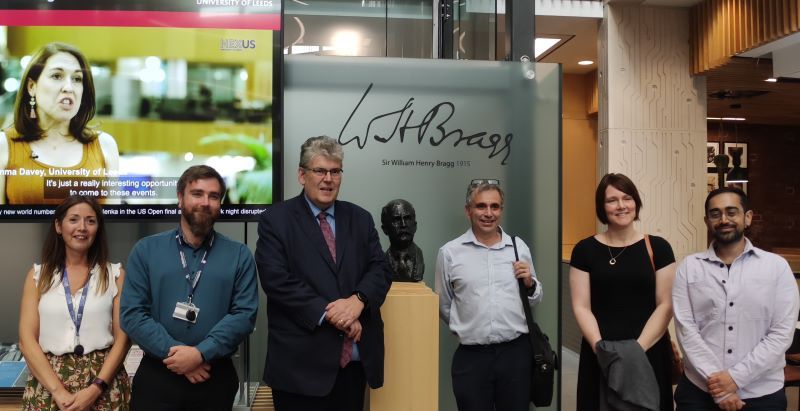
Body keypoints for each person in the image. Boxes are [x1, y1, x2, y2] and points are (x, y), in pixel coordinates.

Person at [255, 135, 392, 411]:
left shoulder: (360, 219)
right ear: (301, 175)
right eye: (320, 171)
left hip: (352, 366)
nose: (328, 179)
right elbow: (277, 280)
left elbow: (380, 268)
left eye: (335, 171)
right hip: (299, 371)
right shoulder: (276, 220)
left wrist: (358, 300)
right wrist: (337, 315)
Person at [120, 165, 258, 411]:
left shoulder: (239, 255)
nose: (205, 202)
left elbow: (244, 315)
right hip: (157, 378)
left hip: (214, 378)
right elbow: (132, 314)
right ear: (180, 198)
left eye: (213, 196)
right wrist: (178, 354)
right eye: (197, 193)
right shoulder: (146, 250)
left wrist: (200, 354)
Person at [672, 187, 800, 410]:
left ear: (747, 217)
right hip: (699, 392)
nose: (724, 219)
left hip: (762, 393)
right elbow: (686, 330)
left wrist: (735, 379)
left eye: (731, 212)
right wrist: (720, 388)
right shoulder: (689, 267)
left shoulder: (776, 268)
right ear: (707, 221)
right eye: (715, 214)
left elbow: (781, 333)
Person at [569, 173, 676, 410]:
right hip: (600, 353)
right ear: (601, 206)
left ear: (636, 202)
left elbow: (665, 304)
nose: (621, 206)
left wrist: (635, 351)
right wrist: (602, 350)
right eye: (612, 200)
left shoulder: (659, 247)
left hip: (648, 351)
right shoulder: (585, 250)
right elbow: (581, 306)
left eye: (627, 198)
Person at [434, 179, 542, 411]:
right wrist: (466, 326)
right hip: (472, 357)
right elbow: (444, 304)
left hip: (515, 355)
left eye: (495, 206)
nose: (488, 213)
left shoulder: (517, 247)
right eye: (481, 206)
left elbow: (534, 299)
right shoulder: (450, 252)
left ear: (501, 210)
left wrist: (529, 283)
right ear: (468, 210)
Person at [19, 195, 131, 410]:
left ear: (98, 228)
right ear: (58, 226)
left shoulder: (115, 274)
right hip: (49, 383)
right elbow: (26, 340)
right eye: (74, 220)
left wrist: (95, 388)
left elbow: (123, 339)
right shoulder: (37, 275)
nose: (82, 227)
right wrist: (58, 392)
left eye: (90, 221)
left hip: (103, 383)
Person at [0, 42, 119, 205]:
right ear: (31, 87)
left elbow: (115, 225)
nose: (68, 88)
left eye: (77, 79)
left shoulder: (105, 145)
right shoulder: (4, 145)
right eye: (57, 76)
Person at [380, 198, 425, 282]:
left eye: (407, 218)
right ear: (385, 229)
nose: (403, 225)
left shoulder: (419, 257)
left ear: (415, 226)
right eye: (396, 220)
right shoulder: (381, 263)